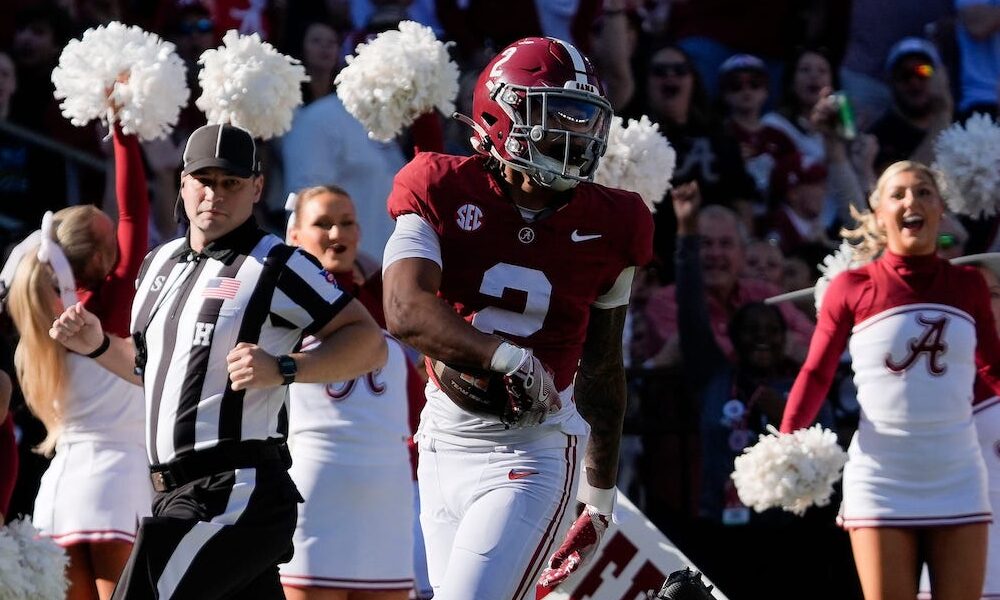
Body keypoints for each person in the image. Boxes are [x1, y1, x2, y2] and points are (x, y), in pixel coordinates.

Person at [49, 123, 388, 599]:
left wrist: (286, 367)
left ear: (256, 188)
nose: (215, 193)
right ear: (183, 183)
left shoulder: (278, 263)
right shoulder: (158, 264)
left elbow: (369, 342)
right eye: (205, 180)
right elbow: (153, 371)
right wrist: (99, 345)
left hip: (235, 490)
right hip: (174, 494)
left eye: (230, 182)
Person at [381, 37, 654, 600]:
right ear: (499, 113)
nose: (575, 137)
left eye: (585, 121)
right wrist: (505, 358)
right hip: (443, 436)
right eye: (556, 117)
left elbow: (602, 370)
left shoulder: (616, 221)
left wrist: (599, 500)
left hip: (534, 448)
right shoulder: (438, 184)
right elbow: (404, 308)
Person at [780, 160, 1000, 600]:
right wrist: (786, 441)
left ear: (940, 208)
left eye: (923, 192)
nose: (910, 202)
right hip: (883, 478)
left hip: (958, 474)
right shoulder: (851, 287)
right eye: (897, 194)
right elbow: (817, 371)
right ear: (879, 211)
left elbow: (993, 368)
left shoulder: (969, 285)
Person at [1, 123, 150, 600]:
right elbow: (135, 210)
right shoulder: (105, 311)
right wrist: (123, 132)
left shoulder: (40, 326)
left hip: (61, 493)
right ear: (105, 257)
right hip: (116, 485)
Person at [279, 185, 422, 600]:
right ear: (294, 235)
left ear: (360, 232)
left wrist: (424, 119)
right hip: (314, 495)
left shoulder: (380, 299)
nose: (335, 233)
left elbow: (427, 218)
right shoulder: (276, 306)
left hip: (391, 497)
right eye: (321, 223)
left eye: (345, 222)